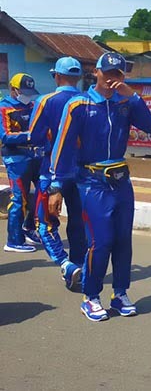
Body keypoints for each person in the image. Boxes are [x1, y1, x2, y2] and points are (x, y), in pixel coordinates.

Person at [50, 52, 151, 322]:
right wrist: (55, 186)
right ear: (95, 72)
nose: (112, 79)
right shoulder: (79, 104)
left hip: (121, 180)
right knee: (100, 241)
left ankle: (120, 293)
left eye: (118, 74)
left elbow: (150, 125)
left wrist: (132, 95)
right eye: (107, 73)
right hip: (91, 181)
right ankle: (91, 295)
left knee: (123, 241)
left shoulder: (125, 103)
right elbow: (61, 146)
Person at [27, 57, 87, 289]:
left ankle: (66, 264)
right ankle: (80, 265)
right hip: (83, 173)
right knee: (79, 223)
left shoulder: (46, 101)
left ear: (56, 76)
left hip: (52, 172)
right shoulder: (89, 101)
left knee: (46, 224)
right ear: (79, 77)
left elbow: (35, 136)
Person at [1, 73, 43, 253]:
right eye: (23, 92)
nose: (27, 95)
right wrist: (28, 136)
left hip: (35, 156)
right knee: (19, 199)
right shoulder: (4, 108)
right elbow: (4, 136)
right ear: (13, 90)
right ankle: (13, 240)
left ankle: (29, 228)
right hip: (16, 159)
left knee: (41, 192)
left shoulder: (32, 106)